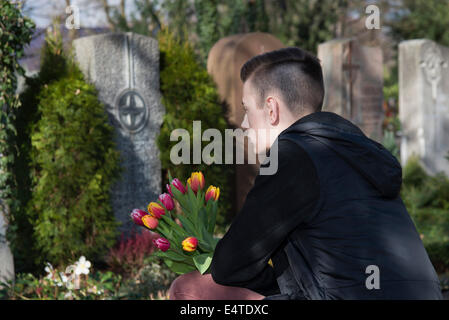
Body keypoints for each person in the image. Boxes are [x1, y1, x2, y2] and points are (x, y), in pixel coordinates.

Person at [168, 47, 442, 300]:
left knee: (190, 289)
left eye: (247, 109)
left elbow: (230, 265)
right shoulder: (357, 152)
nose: (243, 124)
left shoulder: (294, 156)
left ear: (272, 109)